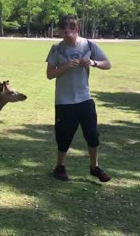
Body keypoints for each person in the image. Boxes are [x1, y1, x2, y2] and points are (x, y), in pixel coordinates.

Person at [45, 14, 112, 182]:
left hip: (84, 98)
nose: (64, 36)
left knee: (92, 135)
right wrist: (66, 66)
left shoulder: (88, 45)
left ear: (76, 30)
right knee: (64, 137)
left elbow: (107, 64)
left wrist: (93, 63)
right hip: (64, 101)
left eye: (67, 33)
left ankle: (94, 167)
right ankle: (59, 167)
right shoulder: (56, 49)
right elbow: (50, 74)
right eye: (61, 33)